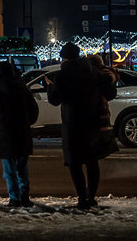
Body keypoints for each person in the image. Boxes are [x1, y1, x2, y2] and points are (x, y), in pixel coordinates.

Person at [47, 42, 118, 210]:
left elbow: (54, 100)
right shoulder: (93, 71)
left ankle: (82, 198)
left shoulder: (63, 75)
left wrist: (50, 87)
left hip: (73, 124)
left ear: (64, 57)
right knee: (92, 161)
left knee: (75, 162)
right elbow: (110, 93)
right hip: (93, 122)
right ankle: (91, 197)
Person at [0, 61, 39, 207]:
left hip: (6, 134)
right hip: (23, 133)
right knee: (22, 168)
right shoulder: (24, 91)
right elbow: (34, 112)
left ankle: (14, 198)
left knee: (9, 170)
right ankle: (24, 196)